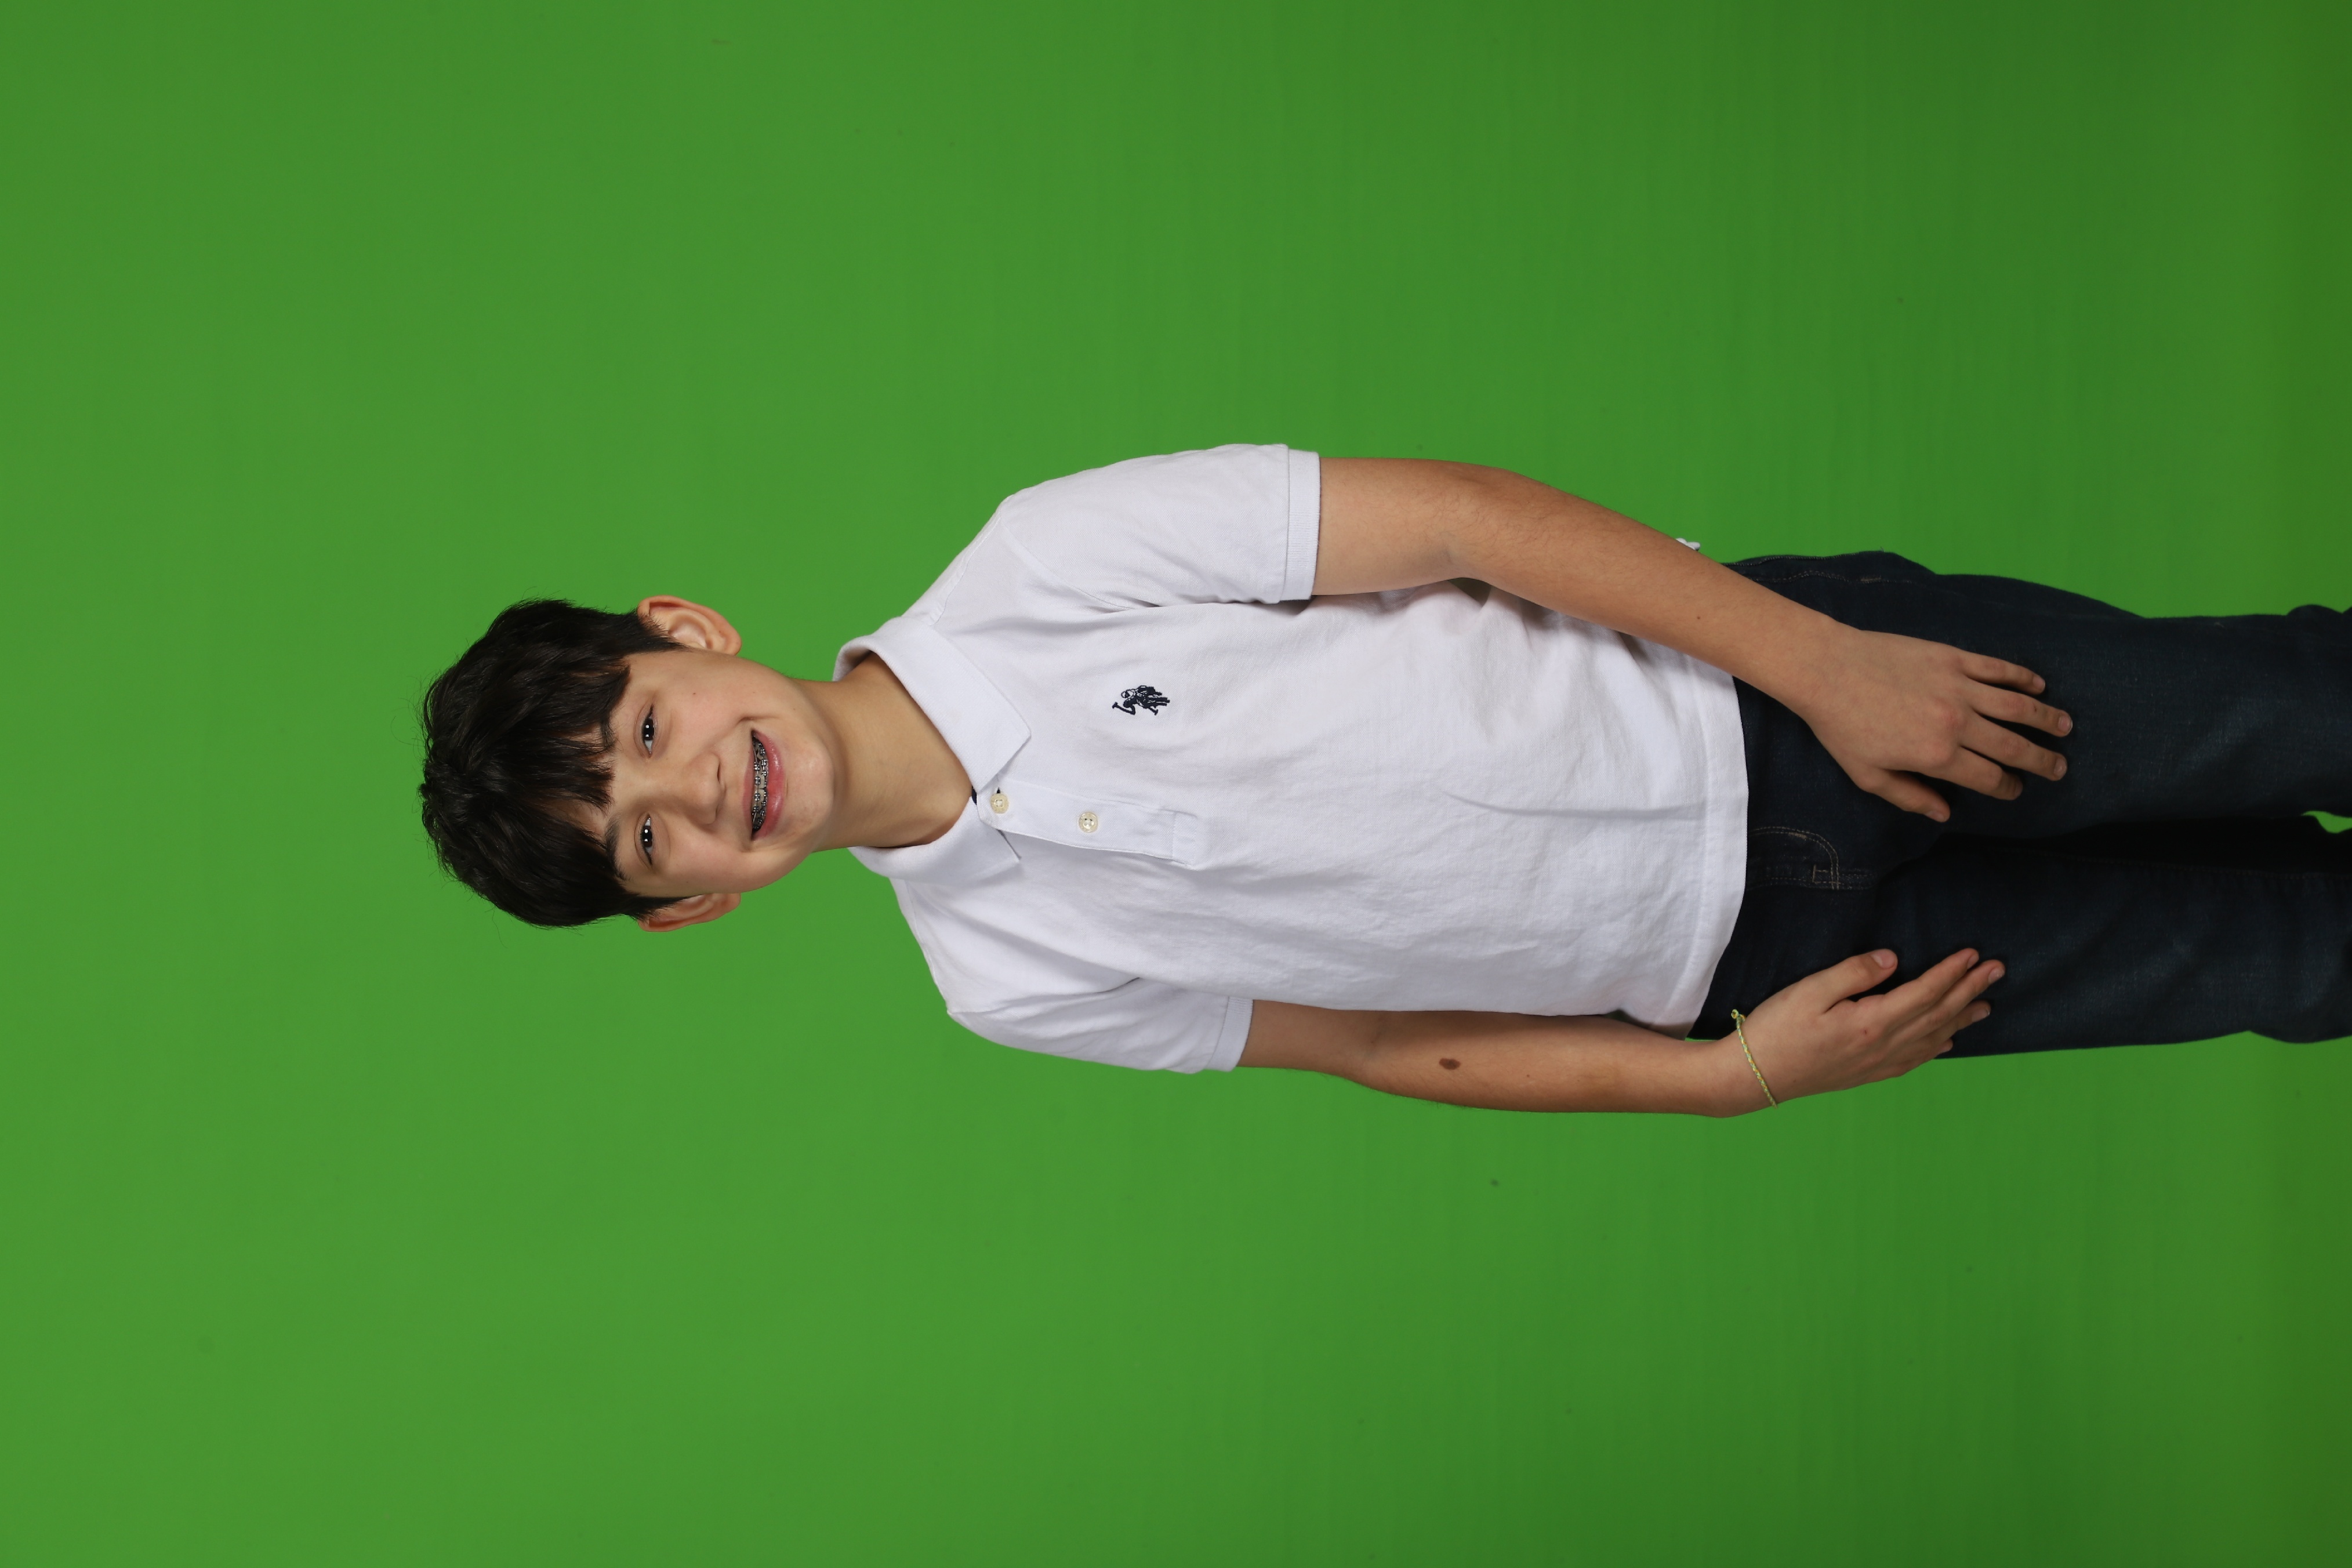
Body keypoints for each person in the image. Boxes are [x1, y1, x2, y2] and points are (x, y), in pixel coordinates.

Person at [418, 445, 2352, 1115]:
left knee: (2291, 708)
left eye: (647, 731)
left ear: (685, 631)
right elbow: (1371, 1042)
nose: (696, 789)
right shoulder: (1005, 981)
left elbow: (1460, 523)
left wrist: (1821, 662)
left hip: (1768, 698)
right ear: (688, 904)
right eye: (649, 840)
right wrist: (1723, 1078)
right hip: (1767, 965)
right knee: (2286, 959)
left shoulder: (1042, 560)